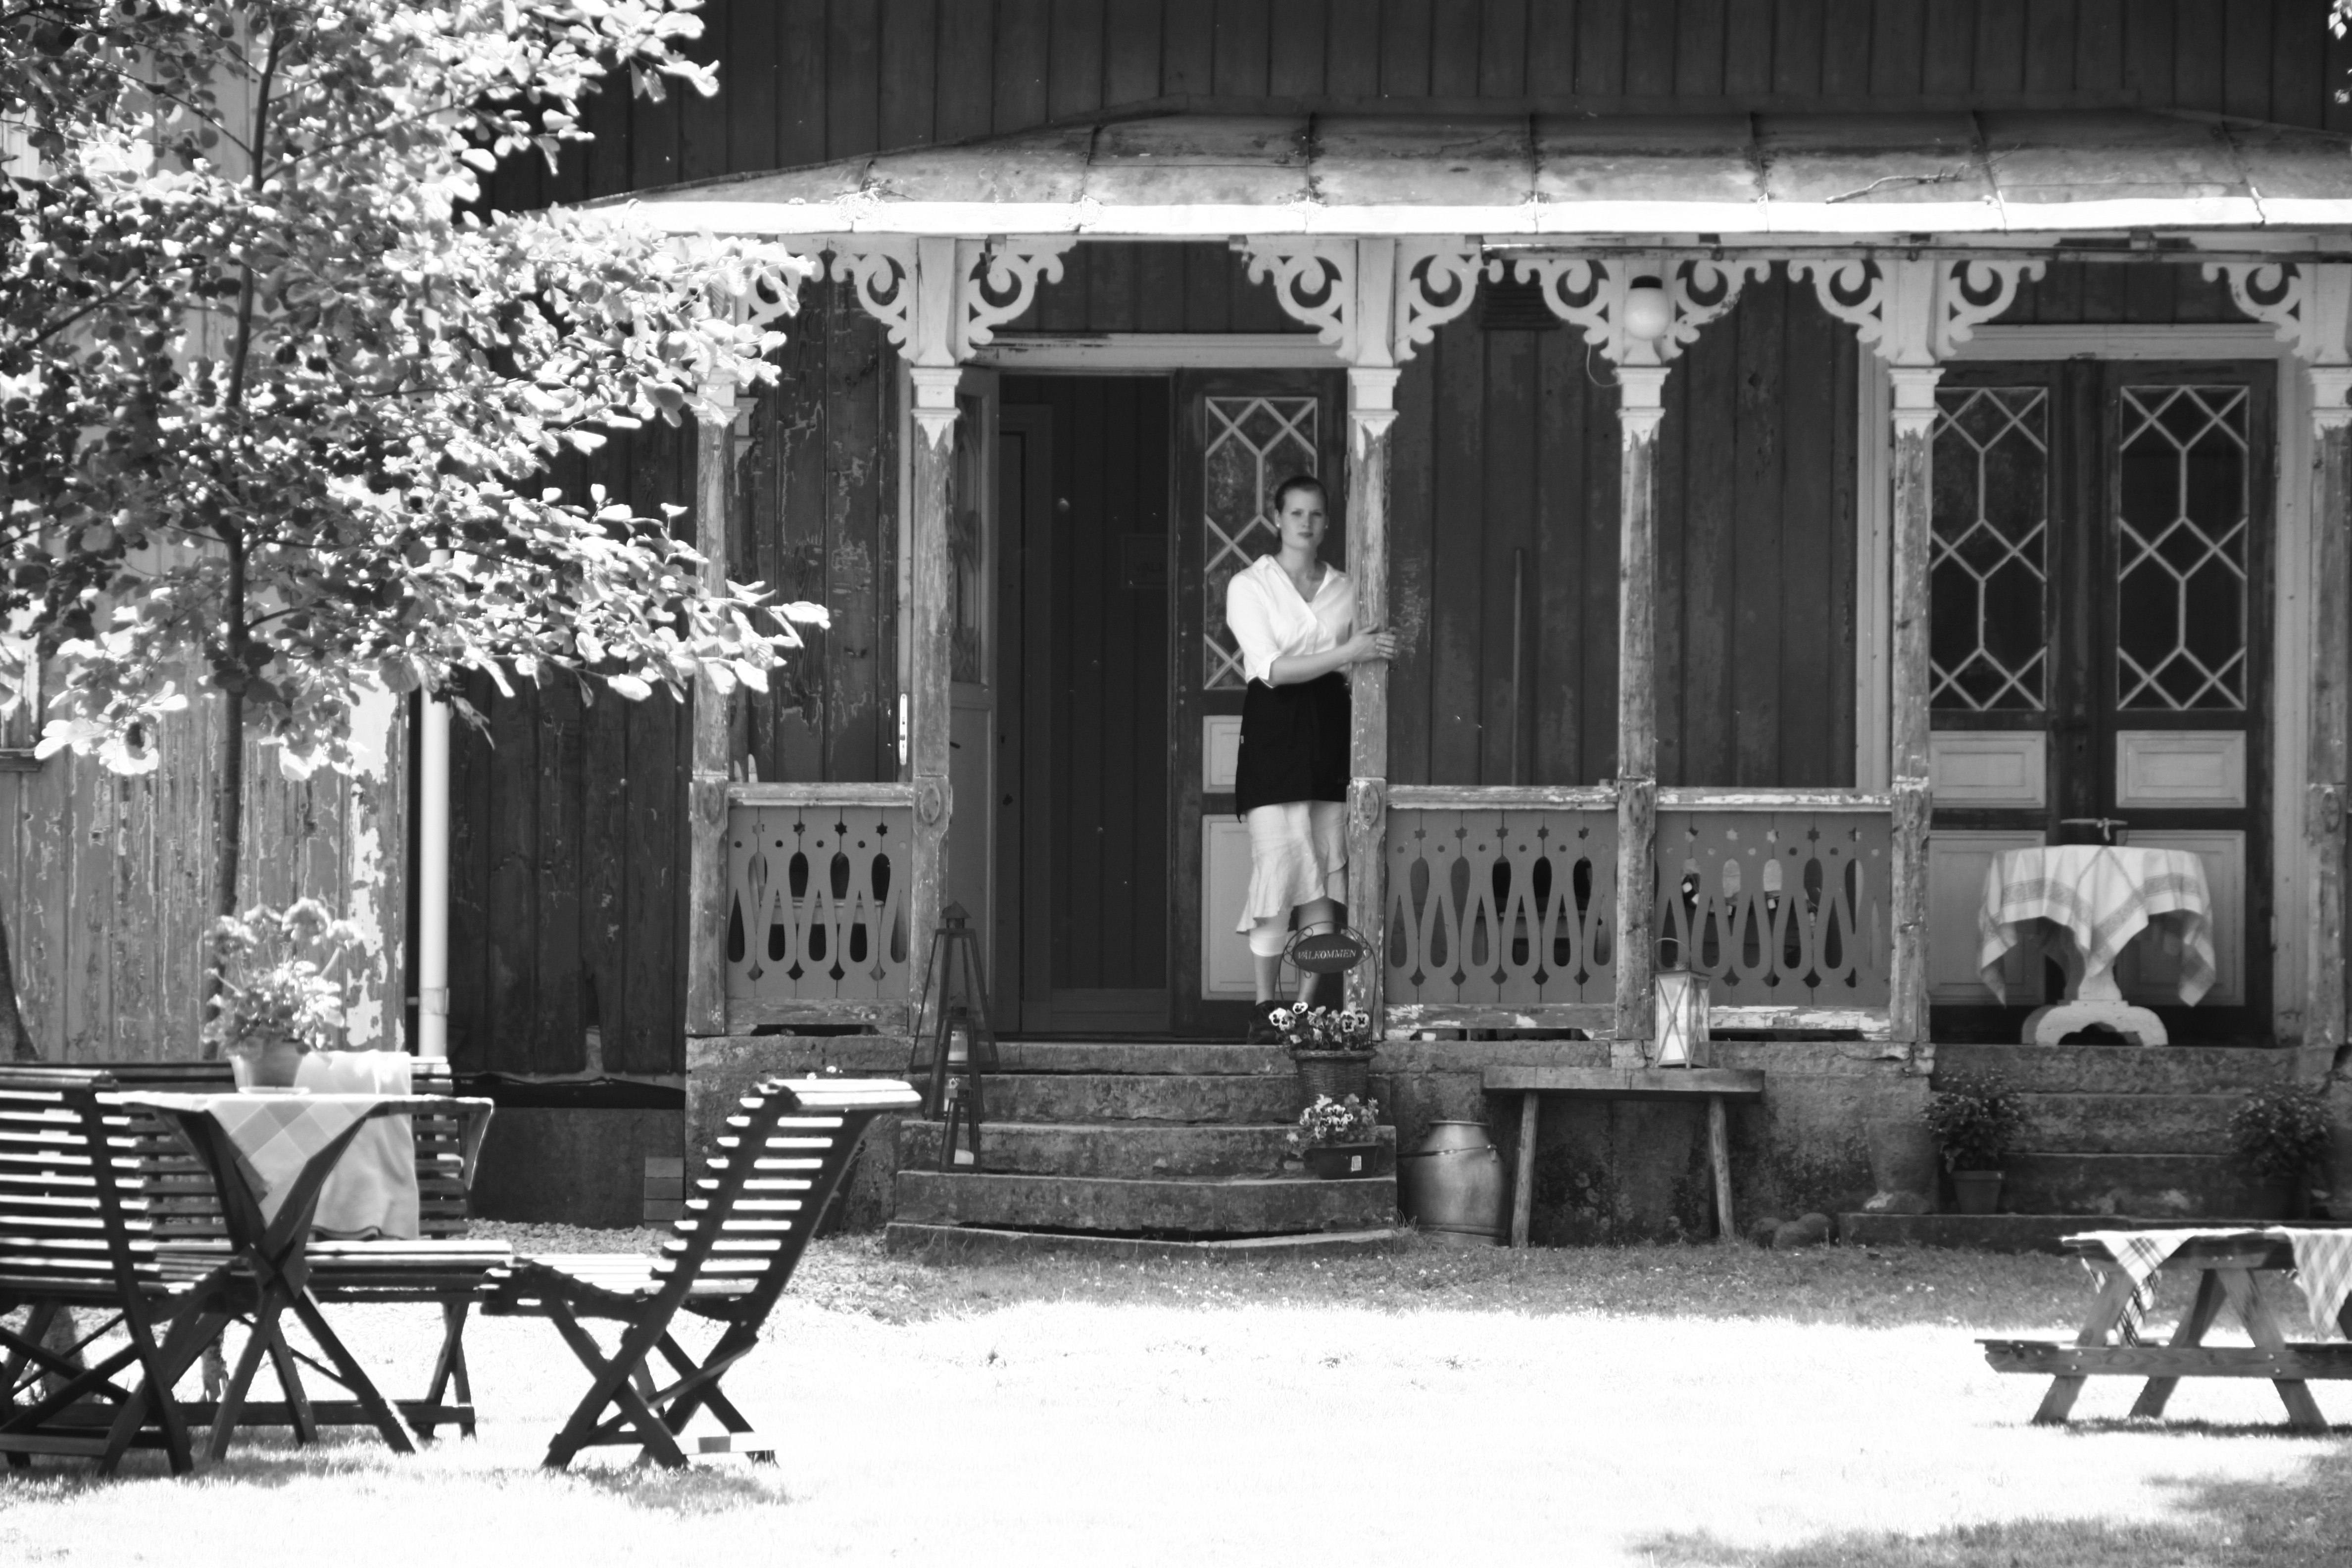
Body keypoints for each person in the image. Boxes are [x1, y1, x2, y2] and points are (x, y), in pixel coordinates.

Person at [1223, 474, 1396, 1044]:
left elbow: (1362, 661)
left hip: (1329, 730)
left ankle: (1304, 1009)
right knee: (1278, 868)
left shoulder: (1347, 588)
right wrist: (1347, 651)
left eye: (1316, 514)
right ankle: (1265, 1008)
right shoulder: (1250, 585)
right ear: (1277, 518)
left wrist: (1357, 654)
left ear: (1326, 523)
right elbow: (1271, 669)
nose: (1306, 522)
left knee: (1322, 874)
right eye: (1296, 512)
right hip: (1274, 731)